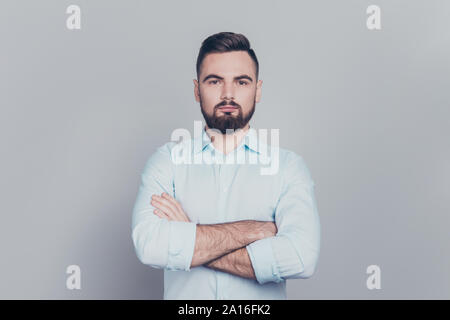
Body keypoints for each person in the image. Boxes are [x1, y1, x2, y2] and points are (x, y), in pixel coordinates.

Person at [131, 32, 320, 299]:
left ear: (258, 90)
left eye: (241, 82)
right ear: (197, 90)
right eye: (214, 81)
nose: (228, 94)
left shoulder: (288, 167)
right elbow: (150, 246)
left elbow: (301, 258)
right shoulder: (167, 162)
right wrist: (253, 230)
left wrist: (189, 235)